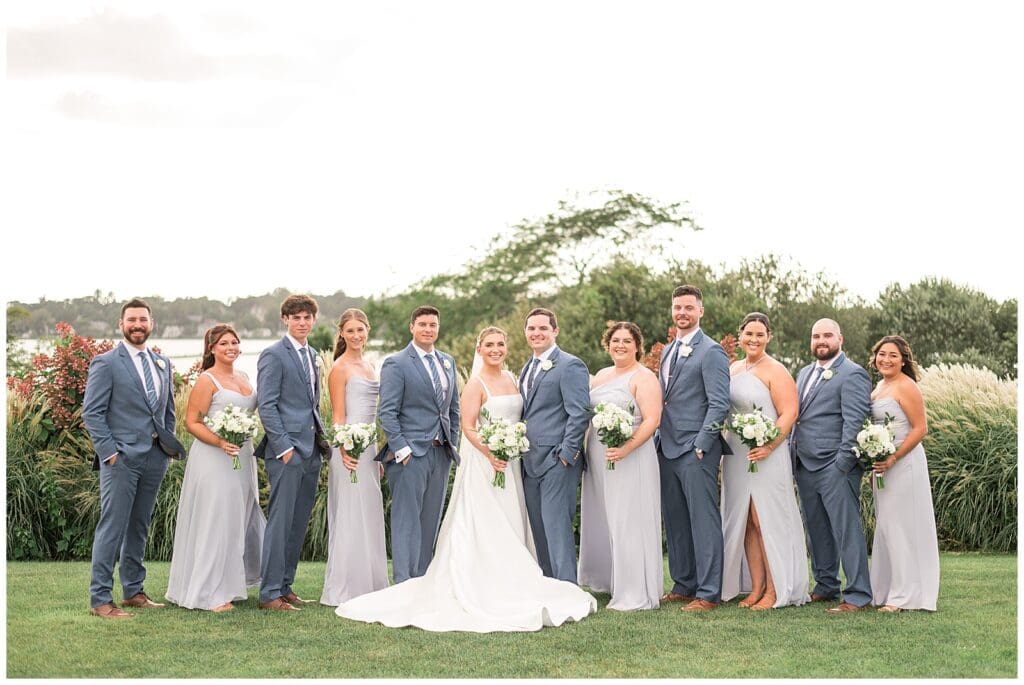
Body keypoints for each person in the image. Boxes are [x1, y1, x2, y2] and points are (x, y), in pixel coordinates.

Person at [335, 327, 596, 631]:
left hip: (512, 465)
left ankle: (516, 578)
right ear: (479, 349)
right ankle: (481, 583)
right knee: (485, 522)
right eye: (489, 345)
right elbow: (468, 427)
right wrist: (491, 452)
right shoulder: (475, 383)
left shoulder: (515, 377)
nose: (496, 349)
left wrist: (510, 446)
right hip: (488, 464)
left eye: (500, 344)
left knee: (512, 521)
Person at [82, 298, 184, 618]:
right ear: (121, 325)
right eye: (131, 320)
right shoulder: (106, 363)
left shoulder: (162, 363)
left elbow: (166, 413)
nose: (137, 325)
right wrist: (110, 454)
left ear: (151, 323)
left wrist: (166, 451)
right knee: (112, 527)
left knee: (139, 527)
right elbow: (93, 414)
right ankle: (101, 599)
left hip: (155, 458)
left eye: (143, 319)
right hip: (122, 459)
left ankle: (133, 591)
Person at [166, 325, 265, 612]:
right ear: (211, 348)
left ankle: (229, 586)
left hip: (242, 456)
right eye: (224, 343)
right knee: (215, 520)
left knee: (238, 518)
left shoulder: (244, 377)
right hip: (214, 458)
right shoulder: (206, 380)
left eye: (235, 341)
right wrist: (221, 442)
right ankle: (207, 593)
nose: (231, 347)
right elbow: (192, 422)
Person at [720, 313, 809, 610]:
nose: (754, 339)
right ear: (741, 335)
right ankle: (755, 587)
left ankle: (775, 589)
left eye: (760, 334)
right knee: (744, 520)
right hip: (737, 453)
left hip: (767, 454)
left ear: (768, 337)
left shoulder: (776, 370)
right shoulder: (733, 368)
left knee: (764, 519)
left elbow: (788, 413)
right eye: (749, 334)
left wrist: (769, 445)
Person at [656, 285, 731, 612]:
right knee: (676, 520)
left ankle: (709, 592)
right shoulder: (667, 350)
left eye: (688, 308)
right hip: (667, 446)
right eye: (677, 307)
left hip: (695, 448)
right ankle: (683, 583)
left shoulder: (711, 351)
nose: (682, 313)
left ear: (700, 311)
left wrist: (703, 443)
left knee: (703, 520)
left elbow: (720, 404)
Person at [578, 322, 663, 610]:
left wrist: (626, 447)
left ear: (638, 345)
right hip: (599, 456)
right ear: (608, 343)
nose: (621, 345)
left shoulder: (644, 377)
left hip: (632, 456)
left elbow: (652, 419)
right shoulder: (601, 375)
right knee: (604, 516)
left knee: (629, 518)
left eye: (627, 341)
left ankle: (635, 589)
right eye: (616, 340)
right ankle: (609, 578)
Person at [790, 318, 872, 613]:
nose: (821, 341)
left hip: (836, 465)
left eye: (827, 335)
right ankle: (826, 585)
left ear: (840, 338)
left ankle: (858, 594)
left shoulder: (852, 374)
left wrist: (842, 463)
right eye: (816, 336)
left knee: (845, 530)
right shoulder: (803, 373)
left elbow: (855, 423)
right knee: (817, 530)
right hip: (805, 463)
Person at [254, 294, 329, 611]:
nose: (302, 322)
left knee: (298, 522)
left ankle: (285, 585)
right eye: (296, 317)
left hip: (311, 449)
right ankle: (269, 593)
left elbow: (310, 404)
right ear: (285, 319)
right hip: (286, 452)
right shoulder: (273, 355)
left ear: (313, 320)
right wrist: (283, 446)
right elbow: (267, 405)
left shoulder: (312, 355)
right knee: (281, 521)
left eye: (307, 317)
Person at [375, 305, 460, 584]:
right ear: (412, 327)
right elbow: (387, 411)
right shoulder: (396, 363)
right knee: (406, 521)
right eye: (422, 324)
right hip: (410, 455)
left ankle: (423, 581)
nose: (428, 329)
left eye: (433, 324)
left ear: (438, 327)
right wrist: (402, 450)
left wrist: (453, 444)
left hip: (441, 452)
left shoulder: (447, 361)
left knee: (430, 521)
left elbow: (453, 409)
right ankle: (403, 582)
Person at [320, 309, 388, 605]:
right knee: (350, 512)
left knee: (369, 512)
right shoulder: (339, 368)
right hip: (347, 449)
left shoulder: (371, 365)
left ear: (367, 330)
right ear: (342, 334)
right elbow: (337, 415)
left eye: (360, 330)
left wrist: (376, 453)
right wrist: (345, 448)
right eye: (350, 331)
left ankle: (371, 584)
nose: (356, 335)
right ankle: (345, 588)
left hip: (369, 448)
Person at [519, 307, 591, 584]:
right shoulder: (527, 367)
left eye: (542, 328)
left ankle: (567, 588)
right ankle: (550, 585)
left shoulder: (570, 365)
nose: (536, 333)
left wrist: (566, 453)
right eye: (531, 329)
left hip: (557, 460)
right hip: (529, 459)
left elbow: (579, 412)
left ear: (555, 331)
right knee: (538, 527)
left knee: (556, 526)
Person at [867, 335, 939, 612]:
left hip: (904, 463)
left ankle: (903, 596)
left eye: (893, 355)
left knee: (902, 527)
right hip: (883, 465)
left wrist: (894, 457)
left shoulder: (907, 386)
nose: (886, 359)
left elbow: (920, 428)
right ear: (875, 358)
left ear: (904, 360)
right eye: (882, 354)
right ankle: (886, 590)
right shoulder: (880, 386)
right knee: (887, 526)